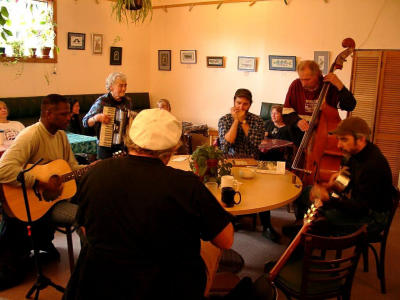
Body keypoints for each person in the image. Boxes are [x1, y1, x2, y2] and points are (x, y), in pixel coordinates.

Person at [64, 109, 234, 300]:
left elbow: (86, 230)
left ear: (131, 139)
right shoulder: (187, 184)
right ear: (171, 150)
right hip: (164, 287)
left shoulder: (95, 173)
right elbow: (226, 241)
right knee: (209, 246)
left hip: (100, 283)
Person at [0, 94, 86, 290]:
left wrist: (91, 168)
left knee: (90, 206)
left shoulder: (62, 136)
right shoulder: (31, 135)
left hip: (51, 203)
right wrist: (39, 182)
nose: (69, 117)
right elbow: (3, 169)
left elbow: (72, 167)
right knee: (85, 215)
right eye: (63, 114)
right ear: (48, 114)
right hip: (29, 203)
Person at [287, 117, 394, 238]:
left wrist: (328, 199)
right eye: (338, 139)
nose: (338, 145)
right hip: (359, 206)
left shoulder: (372, 165)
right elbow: (345, 181)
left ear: (360, 139)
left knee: (326, 213)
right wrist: (328, 186)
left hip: (372, 218)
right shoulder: (356, 154)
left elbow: (360, 208)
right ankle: (305, 228)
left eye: (344, 139)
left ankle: (306, 235)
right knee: (305, 192)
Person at [283, 60, 356, 132]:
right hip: (299, 135)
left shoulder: (328, 86)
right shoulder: (296, 85)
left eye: (307, 79)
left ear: (317, 75)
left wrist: (340, 86)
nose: (303, 84)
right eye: (301, 79)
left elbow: (349, 106)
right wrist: (297, 121)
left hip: (325, 133)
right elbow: (286, 114)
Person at [82, 72, 132, 159]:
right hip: (105, 147)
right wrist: (96, 118)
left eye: (125, 85)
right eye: (121, 86)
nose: (124, 89)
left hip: (123, 145)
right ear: (111, 87)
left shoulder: (127, 101)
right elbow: (85, 122)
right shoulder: (102, 102)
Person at [218, 88, 265, 158]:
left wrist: (243, 121)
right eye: (238, 103)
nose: (241, 107)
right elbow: (226, 144)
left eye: (245, 104)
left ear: (250, 104)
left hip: (252, 160)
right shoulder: (224, 119)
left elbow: (256, 142)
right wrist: (236, 120)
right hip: (229, 159)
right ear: (234, 102)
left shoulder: (257, 120)